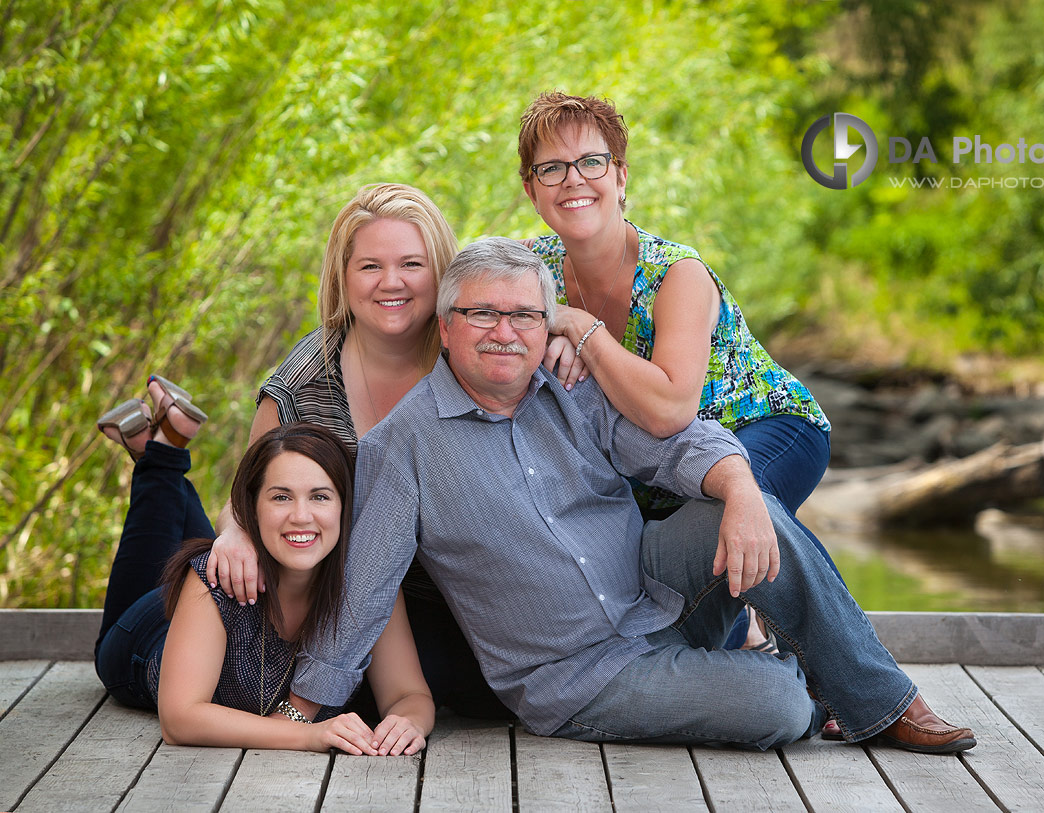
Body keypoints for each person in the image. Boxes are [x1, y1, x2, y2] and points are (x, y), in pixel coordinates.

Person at [284, 238, 976, 754]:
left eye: (525, 315)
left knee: (749, 504)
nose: (506, 332)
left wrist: (737, 483)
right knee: (779, 705)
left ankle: (882, 700)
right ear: (446, 326)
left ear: (546, 325)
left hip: (652, 593)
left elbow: (674, 444)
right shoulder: (399, 449)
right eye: (483, 314)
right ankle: (791, 673)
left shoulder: (572, 388)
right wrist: (300, 710)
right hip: (577, 675)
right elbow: (364, 585)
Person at [517, 92, 836, 654]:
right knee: (673, 593)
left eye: (591, 162)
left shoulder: (676, 275)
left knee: (740, 509)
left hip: (760, 426)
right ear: (531, 187)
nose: (573, 180)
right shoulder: (531, 269)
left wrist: (579, 328)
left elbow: (669, 410)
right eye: (552, 168)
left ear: (619, 177)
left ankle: (838, 678)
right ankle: (745, 642)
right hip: (655, 473)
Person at [203, 183, 507, 717]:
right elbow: (246, 494)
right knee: (138, 633)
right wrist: (233, 530)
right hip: (350, 607)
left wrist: (570, 328)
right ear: (343, 279)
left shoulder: (475, 358)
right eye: (370, 266)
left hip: (459, 599)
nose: (392, 283)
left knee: (479, 691)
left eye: (411, 263)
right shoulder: (303, 383)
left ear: (441, 273)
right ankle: (159, 467)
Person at [95, 381, 432, 754]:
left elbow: (409, 694)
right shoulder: (210, 579)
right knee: (136, 602)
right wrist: (308, 735)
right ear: (251, 508)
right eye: (281, 497)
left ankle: (165, 446)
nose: (301, 516)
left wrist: (409, 721)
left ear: (345, 507)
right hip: (142, 645)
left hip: (214, 597)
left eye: (320, 496)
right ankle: (159, 456)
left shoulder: (367, 581)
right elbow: (179, 719)